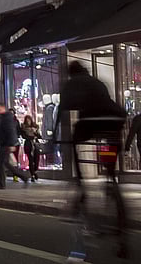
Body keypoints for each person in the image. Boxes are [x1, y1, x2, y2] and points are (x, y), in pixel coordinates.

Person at [58, 60, 128, 256]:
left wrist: (57, 138)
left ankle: (81, 182)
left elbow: (63, 109)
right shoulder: (97, 82)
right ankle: (110, 174)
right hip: (115, 121)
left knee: (75, 140)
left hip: (91, 123)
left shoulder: (73, 83)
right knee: (109, 156)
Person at [0, 103, 29, 189]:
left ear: (3, 108)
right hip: (4, 144)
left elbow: (11, 132)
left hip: (6, 144)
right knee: (5, 164)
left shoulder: (7, 118)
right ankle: (23, 177)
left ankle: (2, 184)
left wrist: (11, 144)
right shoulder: (4, 117)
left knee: (2, 164)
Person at [21, 115, 41, 182]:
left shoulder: (35, 126)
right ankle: (32, 175)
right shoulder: (23, 127)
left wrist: (35, 132)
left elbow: (39, 136)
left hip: (35, 145)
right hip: (28, 145)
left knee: (37, 160)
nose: (28, 122)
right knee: (31, 160)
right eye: (27, 120)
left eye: (29, 120)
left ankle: (35, 171)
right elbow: (24, 136)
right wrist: (32, 137)